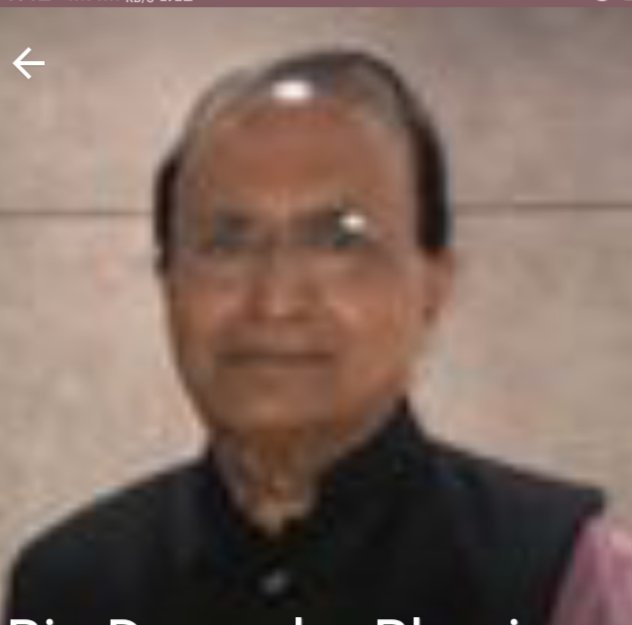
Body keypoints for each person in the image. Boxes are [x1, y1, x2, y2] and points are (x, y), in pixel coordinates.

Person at [5, 50, 632, 625]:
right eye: (225, 243)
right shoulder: (68, 587)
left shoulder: (562, 577)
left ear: (433, 286)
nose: (276, 300)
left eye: (338, 241)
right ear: (168, 283)